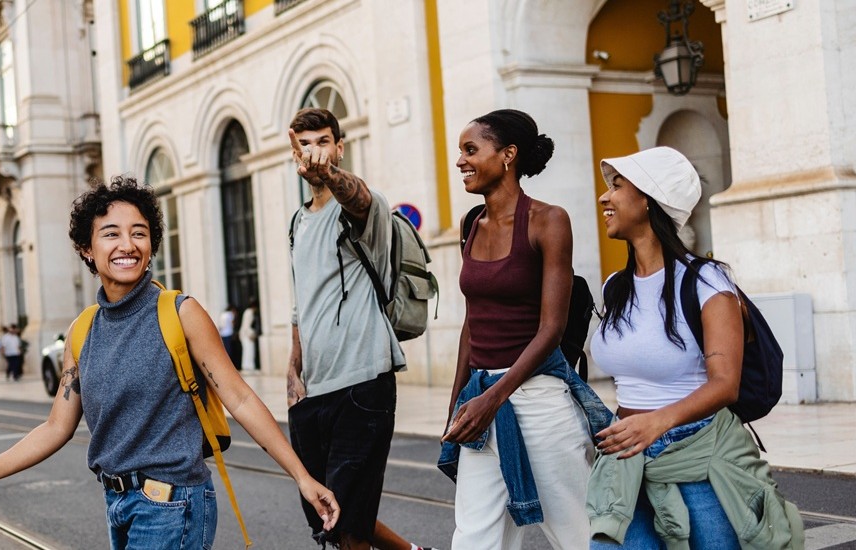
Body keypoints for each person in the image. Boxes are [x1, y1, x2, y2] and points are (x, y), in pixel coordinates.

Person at [0, 176, 339, 548]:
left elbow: (241, 399)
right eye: (111, 234)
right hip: (118, 503)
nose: (127, 245)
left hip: (173, 504)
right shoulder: (82, 331)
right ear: (86, 249)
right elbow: (57, 425)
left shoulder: (180, 313)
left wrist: (301, 476)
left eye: (139, 233)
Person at [586, 147, 803, 548]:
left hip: (699, 456)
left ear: (648, 200)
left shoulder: (706, 282)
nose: (604, 197)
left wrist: (658, 421)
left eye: (617, 186)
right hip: (626, 463)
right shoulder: (615, 287)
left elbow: (725, 384)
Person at [439, 109, 610, 550]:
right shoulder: (470, 225)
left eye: (471, 149)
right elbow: (471, 324)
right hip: (481, 399)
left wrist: (492, 400)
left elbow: (551, 328)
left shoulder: (548, 220)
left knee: (578, 535)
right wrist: (459, 401)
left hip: (537, 400)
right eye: (461, 151)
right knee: (474, 540)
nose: (460, 160)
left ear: (508, 155)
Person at [286, 108, 431, 550]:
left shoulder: (364, 207)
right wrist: (293, 367)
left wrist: (329, 173)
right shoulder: (296, 222)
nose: (315, 152)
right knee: (327, 515)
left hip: (363, 382)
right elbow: (301, 302)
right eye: (305, 143)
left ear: (339, 147)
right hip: (313, 389)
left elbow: (359, 198)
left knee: (347, 526)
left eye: (324, 141)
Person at [238, 299, 258, 371]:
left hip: (244, 334)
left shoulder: (247, 312)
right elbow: (246, 326)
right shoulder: (249, 312)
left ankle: (247, 366)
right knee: (249, 350)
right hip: (246, 335)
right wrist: (252, 334)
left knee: (248, 350)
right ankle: (248, 366)